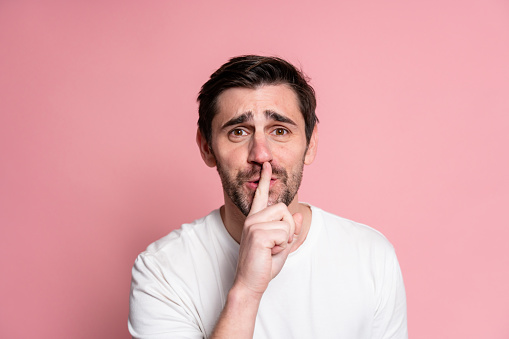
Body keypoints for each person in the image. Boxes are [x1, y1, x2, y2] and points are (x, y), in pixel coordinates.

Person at [128, 55, 407, 339]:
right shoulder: (162, 271)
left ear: (310, 145)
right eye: (238, 132)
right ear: (207, 148)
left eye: (280, 131)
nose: (261, 154)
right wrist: (247, 290)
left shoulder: (372, 256)